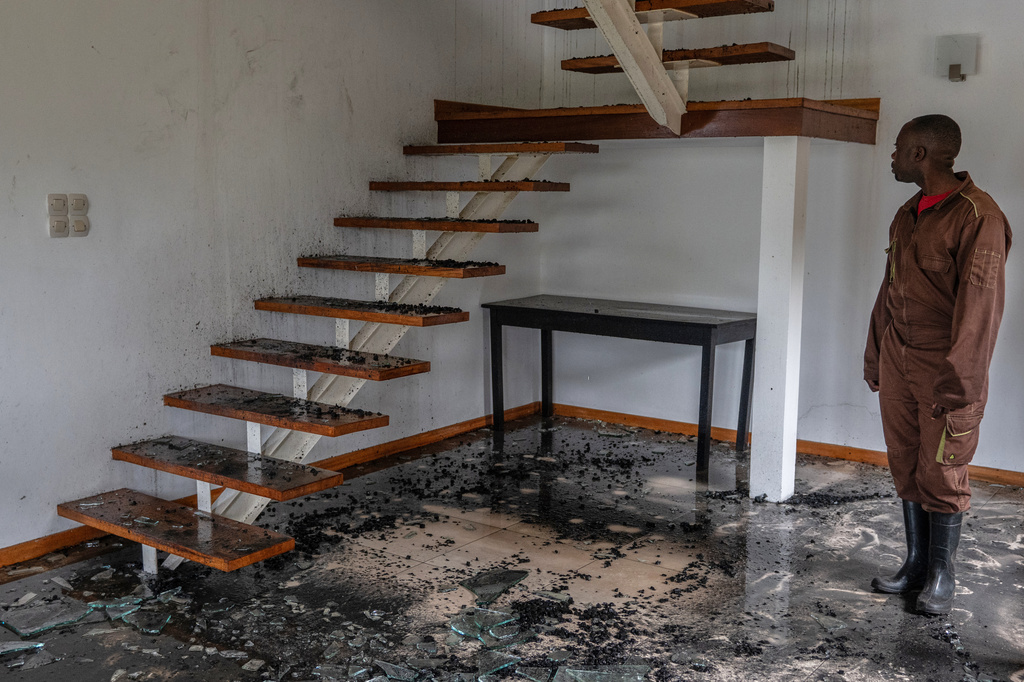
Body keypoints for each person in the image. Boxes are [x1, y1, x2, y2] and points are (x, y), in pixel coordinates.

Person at [863, 114, 1011, 615]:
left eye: (899, 147)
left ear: (921, 154)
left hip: (944, 363)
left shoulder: (978, 216)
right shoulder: (907, 213)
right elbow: (890, 289)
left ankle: (942, 575)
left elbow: (980, 309)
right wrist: (875, 353)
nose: (893, 156)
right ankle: (917, 563)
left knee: (944, 468)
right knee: (905, 460)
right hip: (898, 353)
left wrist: (961, 382)